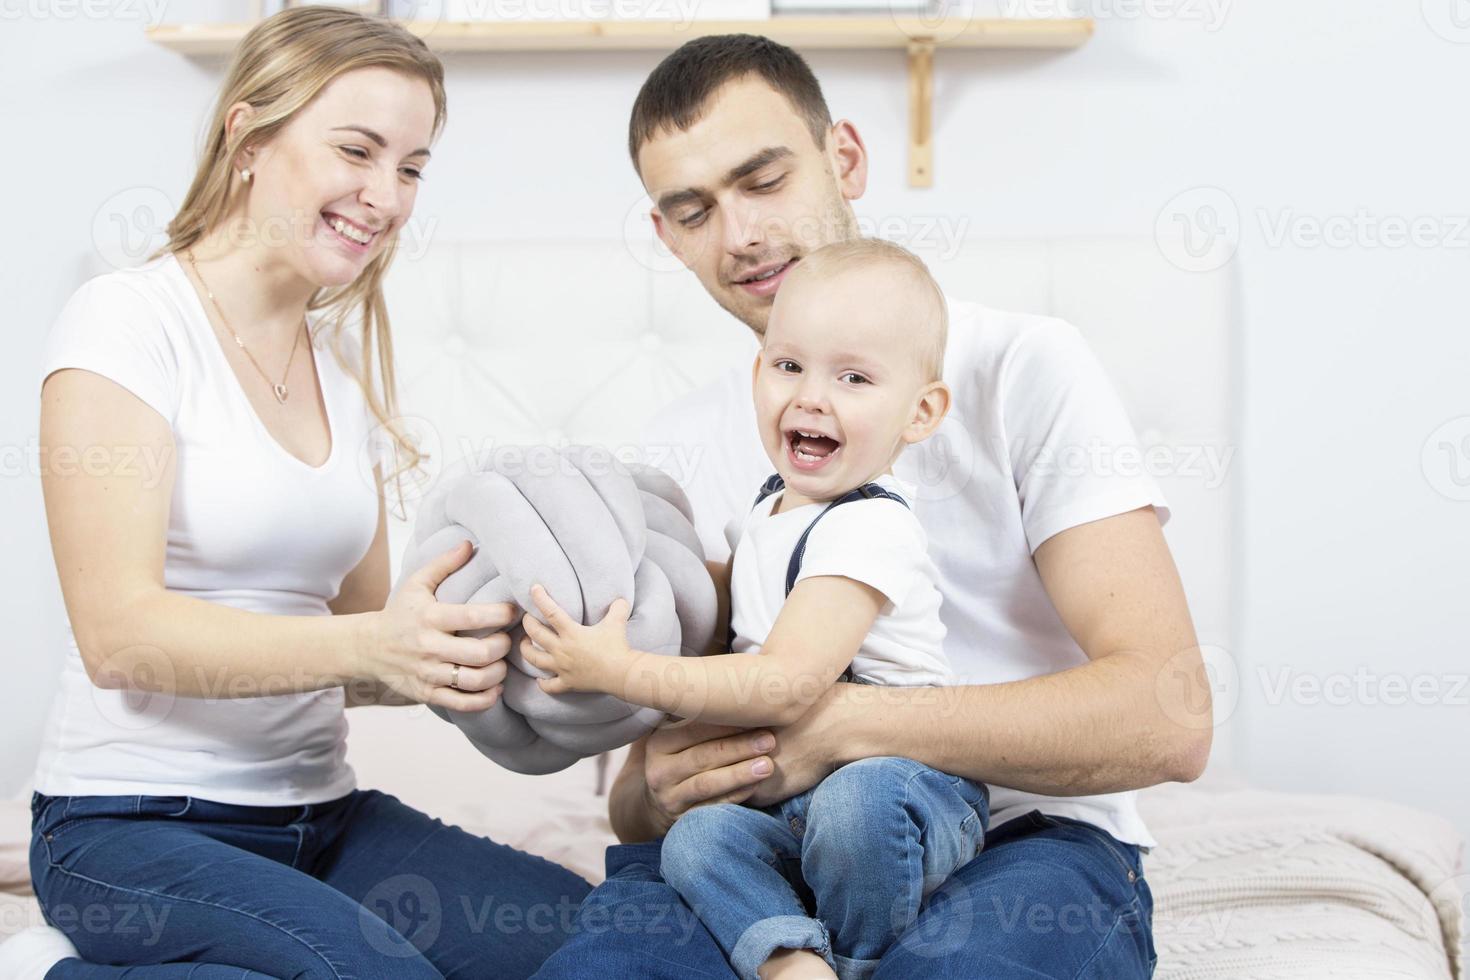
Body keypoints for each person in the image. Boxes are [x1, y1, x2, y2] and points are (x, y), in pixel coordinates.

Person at [534, 33, 1211, 979]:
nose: (739, 235)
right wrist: (654, 791)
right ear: (666, 235)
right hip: (758, 851)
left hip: (1025, 839)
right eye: (695, 211)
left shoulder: (1023, 368)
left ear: (843, 158)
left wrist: (844, 722)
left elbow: (1168, 719)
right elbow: (637, 799)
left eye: (763, 180)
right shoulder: (677, 447)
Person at [4, 9, 589, 979]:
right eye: (356, 150)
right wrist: (374, 643)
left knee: (618, 940)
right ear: (248, 135)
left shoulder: (340, 366)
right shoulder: (128, 321)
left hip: (321, 817)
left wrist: (489, 650)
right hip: (125, 828)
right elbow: (119, 635)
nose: (385, 195)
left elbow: (367, 640)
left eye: (410, 166)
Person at [521, 239, 984, 979]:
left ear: (920, 411)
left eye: (855, 377)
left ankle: (866, 960)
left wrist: (619, 670)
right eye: (789, 365)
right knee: (695, 840)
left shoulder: (870, 525)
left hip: (908, 790)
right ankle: (787, 955)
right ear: (758, 370)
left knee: (855, 807)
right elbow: (723, 616)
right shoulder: (769, 510)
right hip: (794, 798)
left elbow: (782, 684)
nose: (810, 397)